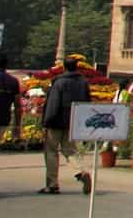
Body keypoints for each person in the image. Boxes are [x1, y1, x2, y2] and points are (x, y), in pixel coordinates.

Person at [41, 57, 91, 195]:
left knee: (51, 151)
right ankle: (80, 171)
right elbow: (87, 103)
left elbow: (53, 104)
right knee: (69, 150)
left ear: (64, 67)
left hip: (56, 121)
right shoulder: (83, 83)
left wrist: (46, 122)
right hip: (73, 122)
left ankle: (52, 184)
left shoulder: (59, 82)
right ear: (77, 67)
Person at [0, 54, 22, 144]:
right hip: (3, 119)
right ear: (6, 65)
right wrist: (17, 126)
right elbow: (17, 106)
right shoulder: (13, 81)